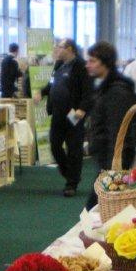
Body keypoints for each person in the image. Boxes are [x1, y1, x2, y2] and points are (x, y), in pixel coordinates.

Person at [36, 38, 92, 197]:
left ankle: (71, 184)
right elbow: (52, 84)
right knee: (55, 145)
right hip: (57, 113)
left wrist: (82, 108)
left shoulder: (81, 66)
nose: (56, 49)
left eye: (59, 47)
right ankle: (70, 173)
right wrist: (42, 92)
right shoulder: (59, 65)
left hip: (73, 114)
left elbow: (88, 90)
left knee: (74, 148)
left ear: (70, 49)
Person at [85, 40, 136, 210]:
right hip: (106, 156)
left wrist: (114, 167)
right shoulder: (104, 87)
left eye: (92, 61)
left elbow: (119, 130)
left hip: (113, 159)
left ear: (105, 63)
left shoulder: (116, 91)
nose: (88, 65)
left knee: (95, 207)